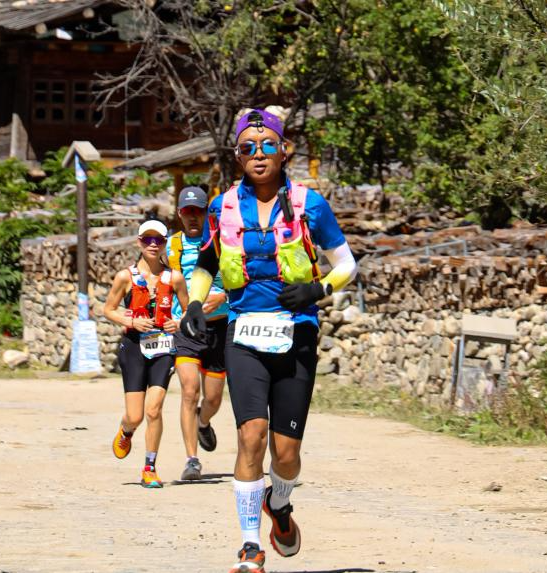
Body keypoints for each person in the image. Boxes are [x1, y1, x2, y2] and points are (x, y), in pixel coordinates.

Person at [180, 109, 357, 573]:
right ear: (237, 156)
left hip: (297, 332)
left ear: (284, 151)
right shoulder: (221, 207)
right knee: (250, 436)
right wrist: (195, 304)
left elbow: (347, 264)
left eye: (267, 146)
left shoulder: (309, 204)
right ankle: (249, 545)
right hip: (243, 332)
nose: (258, 155)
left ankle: (278, 503)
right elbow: (207, 263)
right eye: (248, 148)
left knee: (287, 454)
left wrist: (318, 289)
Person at [101, 218, 179, 488]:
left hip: (163, 348)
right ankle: (126, 430)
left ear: (165, 243)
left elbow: (188, 311)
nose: (153, 244)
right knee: (135, 416)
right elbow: (108, 309)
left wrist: (177, 323)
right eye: (148, 239)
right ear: (139, 242)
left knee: (154, 410)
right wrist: (131, 321)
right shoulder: (126, 277)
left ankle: (149, 468)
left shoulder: (174, 278)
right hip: (134, 346)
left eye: (158, 240)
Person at [167, 186, 230, 481]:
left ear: (207, 214)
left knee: (213, 398)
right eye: (187, 212)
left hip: (219, 326)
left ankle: (204, 422)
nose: (193, 217)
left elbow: (243, 278)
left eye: (198, 212)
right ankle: (192, 460)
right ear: (179, 214)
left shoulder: (223, 242)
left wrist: (223, 297)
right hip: (186, 329)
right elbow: (158, 281)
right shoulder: (171, 247)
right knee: (189, 391)